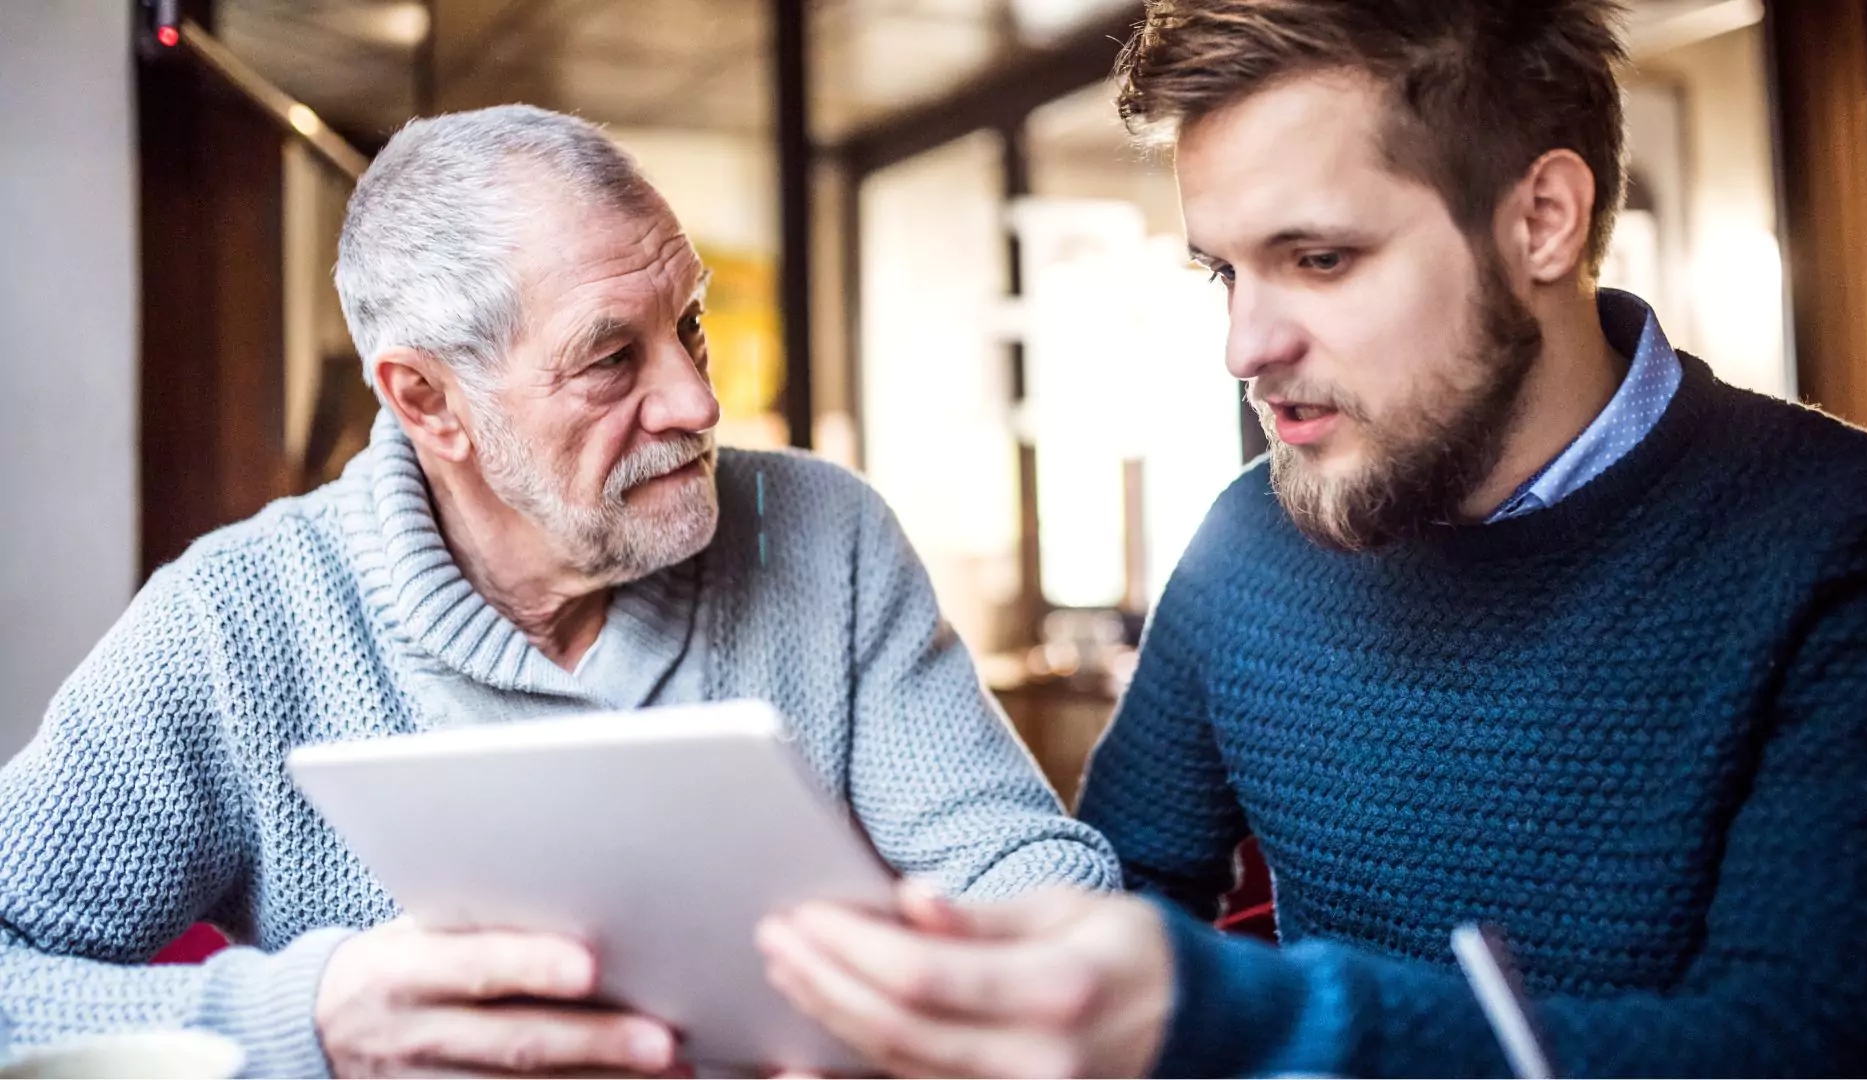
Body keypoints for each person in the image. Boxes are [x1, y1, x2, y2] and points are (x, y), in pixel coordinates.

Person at [754, 1, 1867, 1075]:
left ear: (1542, 220)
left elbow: (1805, 1046)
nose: (1244, 345)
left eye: (1319, 259)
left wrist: (1249, 1021)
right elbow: (1121, 893)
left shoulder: (1865, 545)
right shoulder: (1248, 539)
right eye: (1224, 270)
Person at [0, 105, 1118, 1078]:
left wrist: (946, 1011)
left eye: (688, 324)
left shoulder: (824, 533)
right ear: (431, 404)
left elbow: (1027, 871)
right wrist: (308, 1021)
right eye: (610, 360)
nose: (692, 399)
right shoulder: (235, 621)